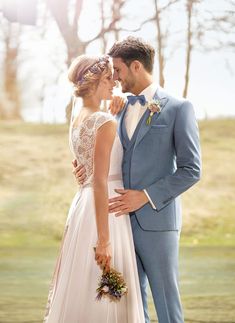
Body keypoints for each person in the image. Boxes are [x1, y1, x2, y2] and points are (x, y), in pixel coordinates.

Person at [74, 37, 202, 323]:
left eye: (117, 71)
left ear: (135, 66)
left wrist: (145, 195)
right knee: (130, 307)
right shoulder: (115, 111)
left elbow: (191, 169)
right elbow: (104, 154)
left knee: (167, 303)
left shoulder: (178, 109)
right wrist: (83, 169)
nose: (114, 78)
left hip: (157, 222)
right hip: (119, 224)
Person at [43, 54, 145, 323]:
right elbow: (100, 180)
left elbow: (86, 167)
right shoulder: (105, 122)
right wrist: (104, 240)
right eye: (108, 78)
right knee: (104, 290)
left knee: (83, 282)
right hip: (106, 207)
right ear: (94, 82)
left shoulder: (79, 119)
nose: (114, 83)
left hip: (82, 207)